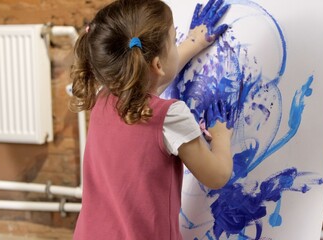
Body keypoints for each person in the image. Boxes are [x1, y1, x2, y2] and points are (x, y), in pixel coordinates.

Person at [70, 0, 233, 239]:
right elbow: (216, 176)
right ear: (157, 64)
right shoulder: (170, 116)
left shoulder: (103, 98)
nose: (177, 44)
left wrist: (191, 44)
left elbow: (147, 83)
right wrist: (221, 137)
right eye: (173, 39)